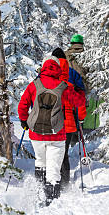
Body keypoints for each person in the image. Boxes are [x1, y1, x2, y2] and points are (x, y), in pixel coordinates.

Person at [18, 54, 85, 205]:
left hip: (36, 133)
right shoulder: (63, 86)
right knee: (54, 169)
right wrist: (79, 90)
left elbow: (22, 105)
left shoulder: (34, 84)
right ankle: (51, 201)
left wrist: (24, 121)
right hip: (57, 135)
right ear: (58, 68)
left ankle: (38, 193)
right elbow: (80, 101)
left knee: (40, 162)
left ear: (43, 67)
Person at [51, 48, 86, 189]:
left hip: (50, 122)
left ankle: (51, 183)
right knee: (63, 154)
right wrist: (81, 118)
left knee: (51, 153)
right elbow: (81, 98)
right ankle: (64, 185)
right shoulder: (73, 74)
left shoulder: (46, 74)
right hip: (69, 122)